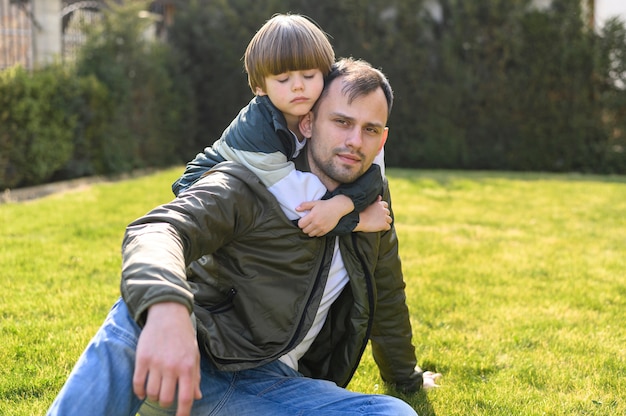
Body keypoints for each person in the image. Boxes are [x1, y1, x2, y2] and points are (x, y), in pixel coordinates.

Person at [47, 57, 441, 416]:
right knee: (137, 314)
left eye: (369, 129)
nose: (355, 141)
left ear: (382, 139)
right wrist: (167, 309)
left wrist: (405, 378)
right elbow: (160, 230)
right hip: (186, 355)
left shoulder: (373, 203)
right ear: (308, 121)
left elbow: (386, 294)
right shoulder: (250, 180)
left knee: (393, 415)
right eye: (341, 122)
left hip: (267, 387)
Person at [172, 13, 387, 237]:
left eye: (309, 75)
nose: (298, 87)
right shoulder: (259, 134)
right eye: (283, 79)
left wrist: (343, 204)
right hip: (204, 192)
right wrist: (358, 219)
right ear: (260, 88)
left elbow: (374, 173)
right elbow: (303, 211)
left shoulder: (321, 110)